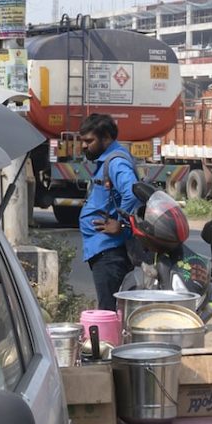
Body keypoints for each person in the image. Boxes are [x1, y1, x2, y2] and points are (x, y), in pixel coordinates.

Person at [76, 116, 143, 312]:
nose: (84, 146)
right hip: (103, 249)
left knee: (109, 311)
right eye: (83, 141)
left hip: (110, 252)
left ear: (106, 138)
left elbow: (132, 193)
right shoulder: (109, 160)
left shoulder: (116, 163)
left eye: (89, 141)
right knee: (110, 308)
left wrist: (121, 224)